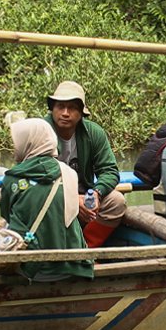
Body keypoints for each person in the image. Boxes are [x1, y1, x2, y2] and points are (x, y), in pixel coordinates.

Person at [0, 117, 94, 282]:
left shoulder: (12, 179)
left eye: (16, 142)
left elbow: (7, 217)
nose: (14, 148)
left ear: (28, 143)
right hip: (74, 266)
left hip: (33, 271)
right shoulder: (69, 173)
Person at [43, 80, 126, 246]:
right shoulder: (41, 131)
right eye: (60, 107)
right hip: (50, 196)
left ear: (81, 112)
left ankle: (85, 250)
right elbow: (35, 177)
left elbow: (109, 171)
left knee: (117, 202)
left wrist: (96, 193)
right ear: (53, 109)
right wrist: (71, 199)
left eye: (72, 108)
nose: (65, 113)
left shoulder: (93, 133)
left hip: (85, 194)